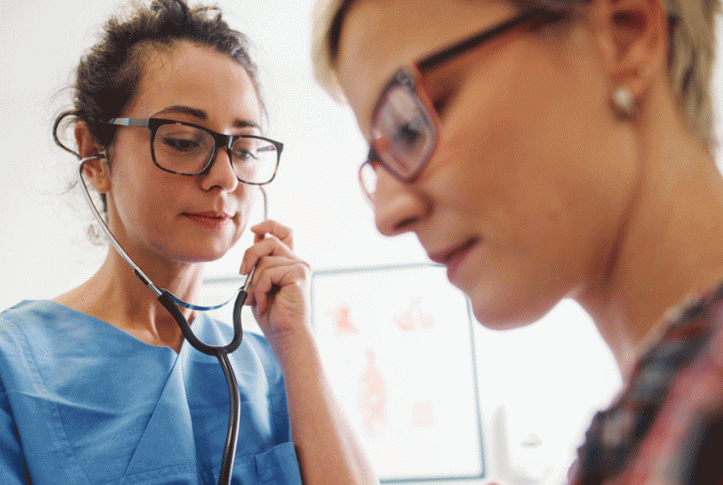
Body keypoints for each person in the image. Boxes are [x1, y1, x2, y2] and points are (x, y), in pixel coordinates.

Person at [312, 0, 723, 483]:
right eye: (378, 161)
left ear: (625, 34)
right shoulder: (646, 423)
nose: (387, 214)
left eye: (410, 124)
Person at [0, 1, 378, 483]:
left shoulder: (277, 369)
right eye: (182, 140)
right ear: (94, 154)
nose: (225, 177)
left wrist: (297, 342)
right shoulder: (13, 366)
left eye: (242, 148)